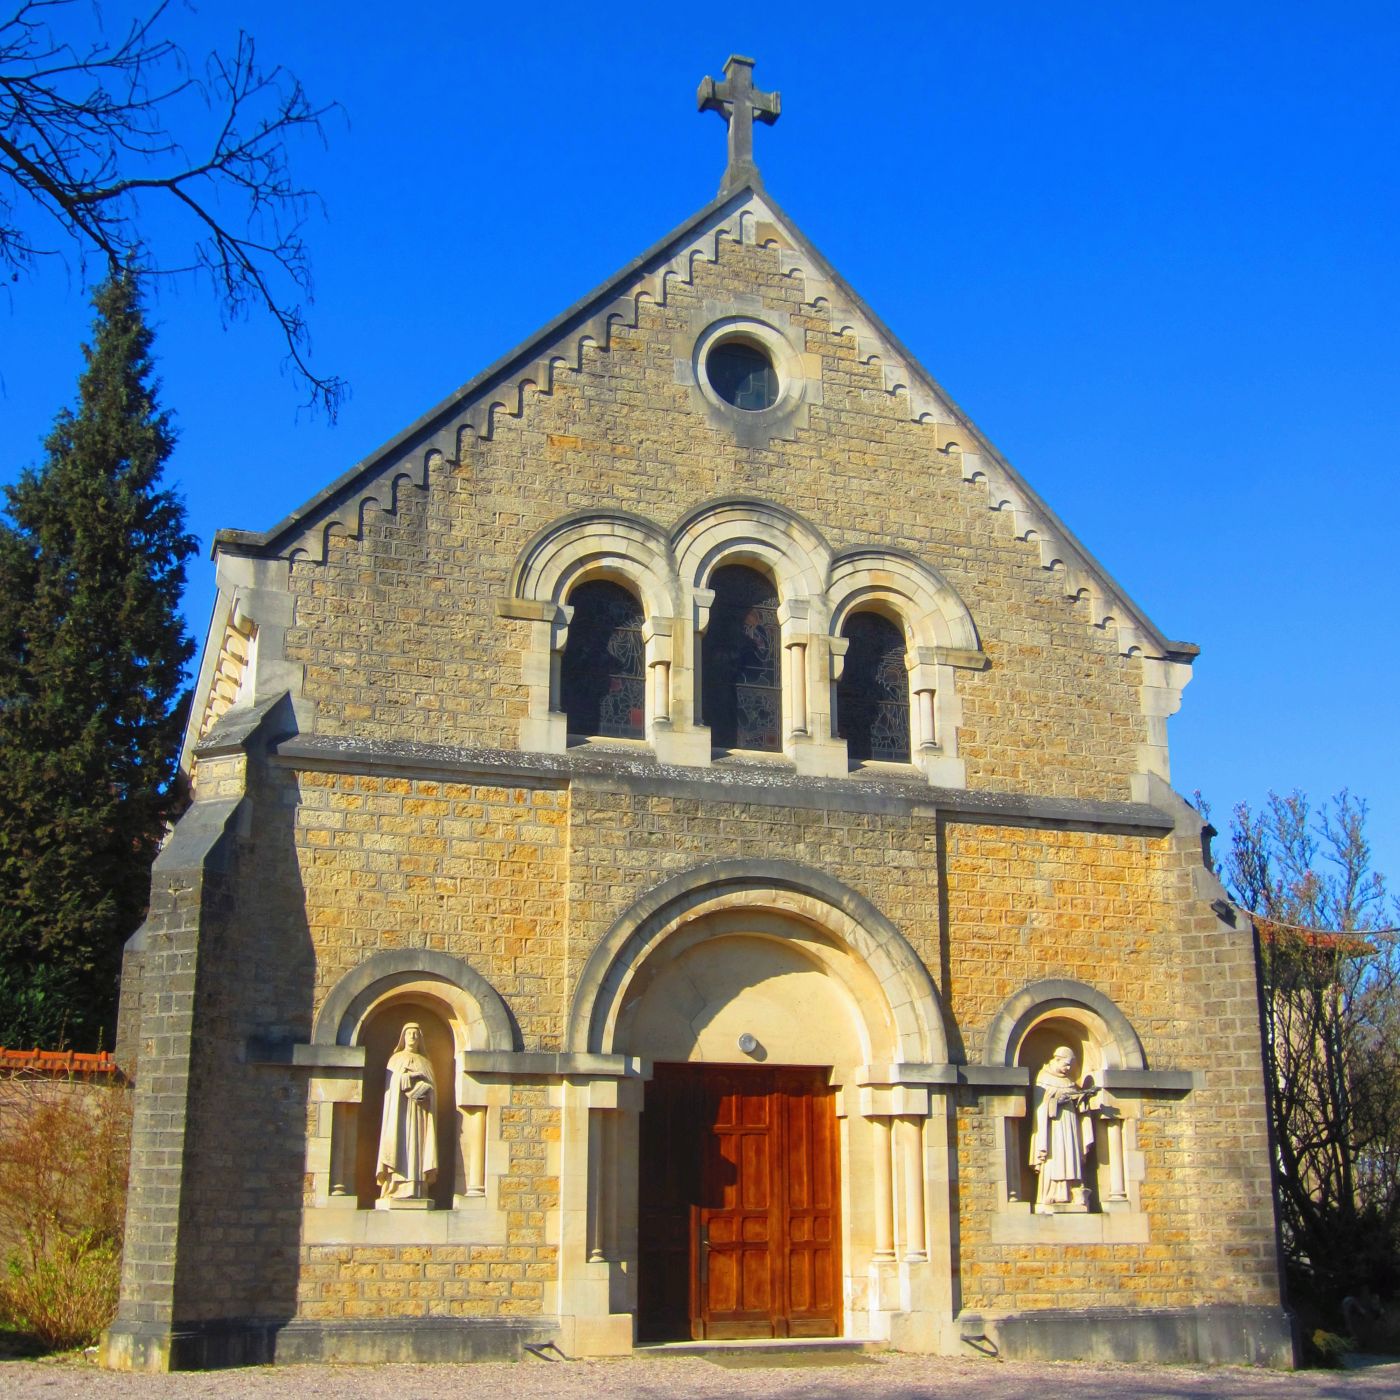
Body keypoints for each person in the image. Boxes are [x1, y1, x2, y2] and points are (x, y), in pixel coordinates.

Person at [376, 1022, 438, 1201]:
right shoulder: (395, 1060)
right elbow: (391, 1086)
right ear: (403, 1037)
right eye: (409, 1033)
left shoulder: (425, 1062)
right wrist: (409, 1077)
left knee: (418, 1148)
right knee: (400, 1145)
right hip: (399, 1114)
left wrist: (427, 1093)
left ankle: (418, 1187)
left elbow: (433, 1090)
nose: (412, 1037)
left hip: (420, 1115)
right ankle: (394, 1186)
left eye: (416, 1034)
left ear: (420, 1038)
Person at [1029, 1045, 1096, 1211]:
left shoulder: (1069, 1082)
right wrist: (1056, 1102)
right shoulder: (1043, 1078)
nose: (1068, 1068)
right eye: (1065, 1064)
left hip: (1070, 1124)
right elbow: (1039, 1107)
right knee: (1056, 1157)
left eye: (1070, 1066)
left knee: (1071, 1157)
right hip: (1053, 1127)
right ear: (1056, 1059)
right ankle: (1051, 1194)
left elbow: (1079, 1106)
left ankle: (1071, 1192)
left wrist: (1081, 1099)